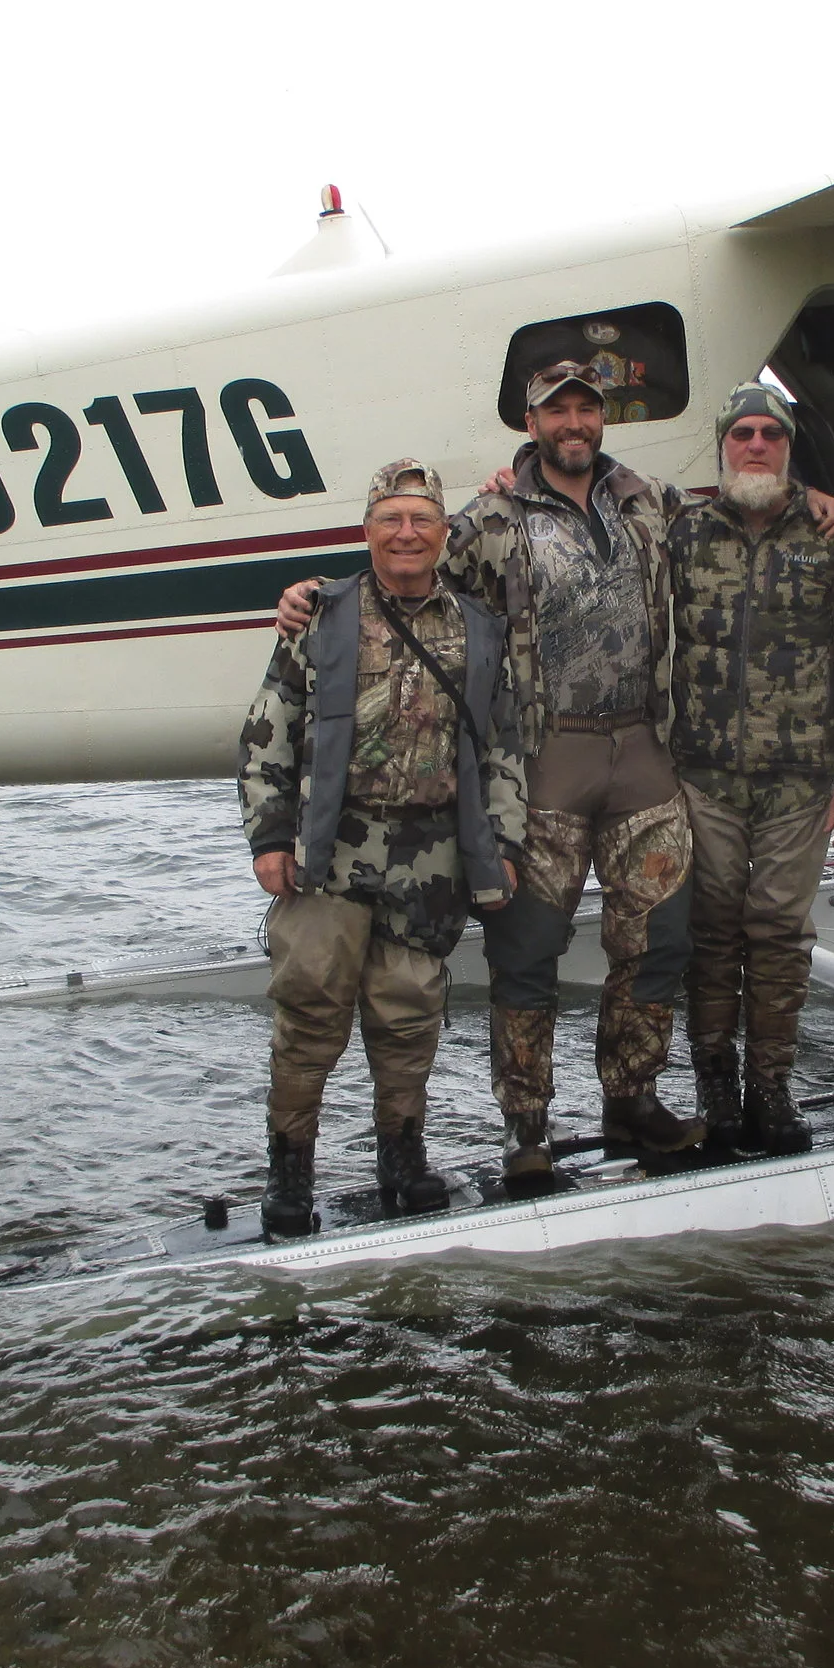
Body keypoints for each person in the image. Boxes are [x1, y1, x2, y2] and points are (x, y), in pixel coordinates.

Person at [275, 366, 834, 1193]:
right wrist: (312, 597)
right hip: (548, 758)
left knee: (659, 941)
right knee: (529, 950)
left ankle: (633, 1097)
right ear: (532, 420)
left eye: (587, 408)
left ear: (602, 419)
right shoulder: (492, 515)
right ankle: (528, 1128)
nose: (574, 422)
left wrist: (816, 498)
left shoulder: (652, 498)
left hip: (642, 753)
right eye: (558, 410)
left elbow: (743, 512)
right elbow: (405, 575)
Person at [238, 457, 525, 1235]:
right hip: (327, 850)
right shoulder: (317, 615)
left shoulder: (477, 628)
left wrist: (504, 843)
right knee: (309, 1013)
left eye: (421, 519)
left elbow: (503, 746)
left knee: (409, 1018)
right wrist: (269, 837)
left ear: (441, 533)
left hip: (430, 854)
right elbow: (268, 731)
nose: (406, 533)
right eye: (391, 518)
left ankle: (402, 1155)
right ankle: (290, 1164)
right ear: (366, 530)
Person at [670, 385, 834, 1157]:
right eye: (742, 434)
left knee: (782, 935)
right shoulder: (683, 532)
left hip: (799, 780)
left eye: (770, 435)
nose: (755, 445)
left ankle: (772, 1085)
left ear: (789, 447)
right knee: (712, 934)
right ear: (723, 445)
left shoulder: (830, 538)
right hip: (704, 776)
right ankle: (715, 1085)